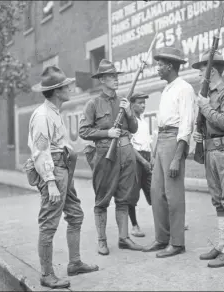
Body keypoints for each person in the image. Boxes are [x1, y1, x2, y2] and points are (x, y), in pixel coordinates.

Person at [27, 66, 98, 289]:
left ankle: (74, 263)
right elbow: (40, 150)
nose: (71, 88)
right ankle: (47, 275)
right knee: (49, 224)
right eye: (67, 86)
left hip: (63, 168)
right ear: (57, 91)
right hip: (53, 171)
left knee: (75, 214)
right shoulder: (42, 115)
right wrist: (50, 182)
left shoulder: (54, 112)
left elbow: (59, 143)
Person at [79, 59, 143, 256]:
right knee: (102, 199)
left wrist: (130, 112)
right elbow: (83, 131)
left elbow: (133, 128)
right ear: (102, 80)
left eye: (116, 77)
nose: (115, 80)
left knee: (124, 198)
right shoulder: (93, 104)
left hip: (125, 152)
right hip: (105, 155)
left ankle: (124, 238)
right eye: (111, 77)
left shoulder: (123, 101)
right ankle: (102, 240)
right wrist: (106, 134)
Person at [142, 47, 195, 258]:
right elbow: (161, 125)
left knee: (174, 195)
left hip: (174, 141)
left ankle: (177, 243)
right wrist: (155, 150)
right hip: (162, 140)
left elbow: (186, 125)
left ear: (170, 66)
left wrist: (177, 157)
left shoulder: (185, 89)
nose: (157, 69)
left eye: (160, 65)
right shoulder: (167, 89)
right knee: (157, 193)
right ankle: (162, 238)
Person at [192, 50, 224, 268]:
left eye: (202, 70)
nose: (199, 75)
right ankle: (221, 245)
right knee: (218, 200)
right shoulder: (208, 95)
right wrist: (199, 132)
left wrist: (204, 106)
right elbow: (209, 124)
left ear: (211, 71)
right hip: (212, 150)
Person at [128, 92, 153, 237]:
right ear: (132, 104)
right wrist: (142, 161)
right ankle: (134, 225)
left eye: (144, 103)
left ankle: (167, 222)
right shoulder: (130, 121)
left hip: (146, 158)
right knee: (132, 194)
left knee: (154, 191)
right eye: (139, 103)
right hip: (136, 159)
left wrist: (150, 159)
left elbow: (148, 142)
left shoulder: (143, 121)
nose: (143, 105)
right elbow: (129, 146)